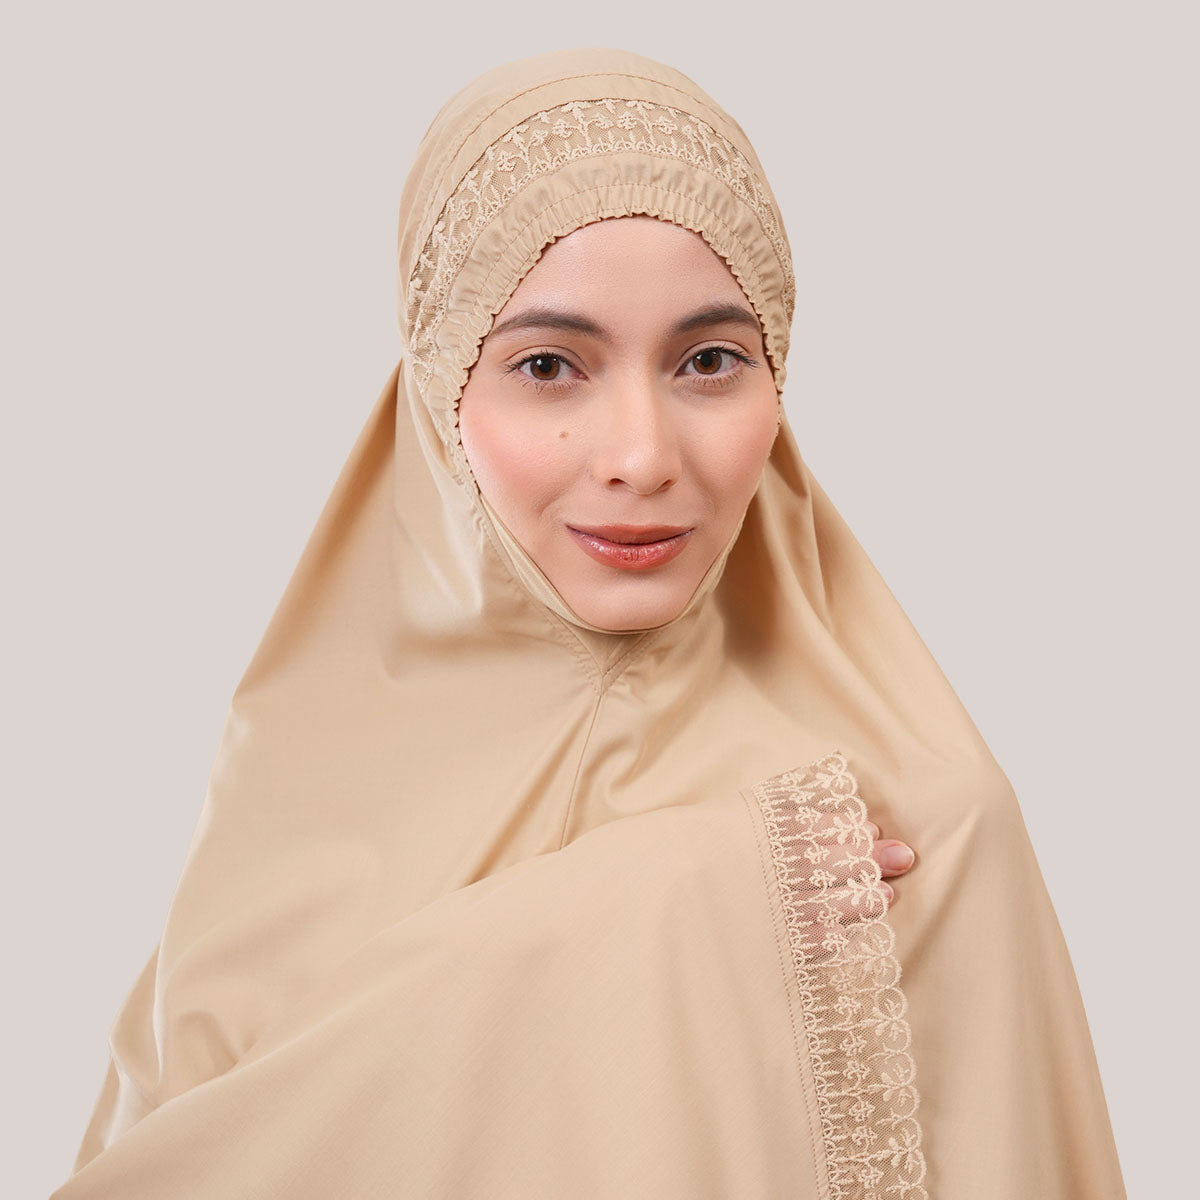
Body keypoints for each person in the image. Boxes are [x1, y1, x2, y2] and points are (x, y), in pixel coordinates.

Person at [53, 48, 1126, 1198]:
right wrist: (701, 895)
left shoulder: (918, 827)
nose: (641, 457)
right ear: (440, 391)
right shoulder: (297, 769)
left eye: (709, 361)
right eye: (549, 366)